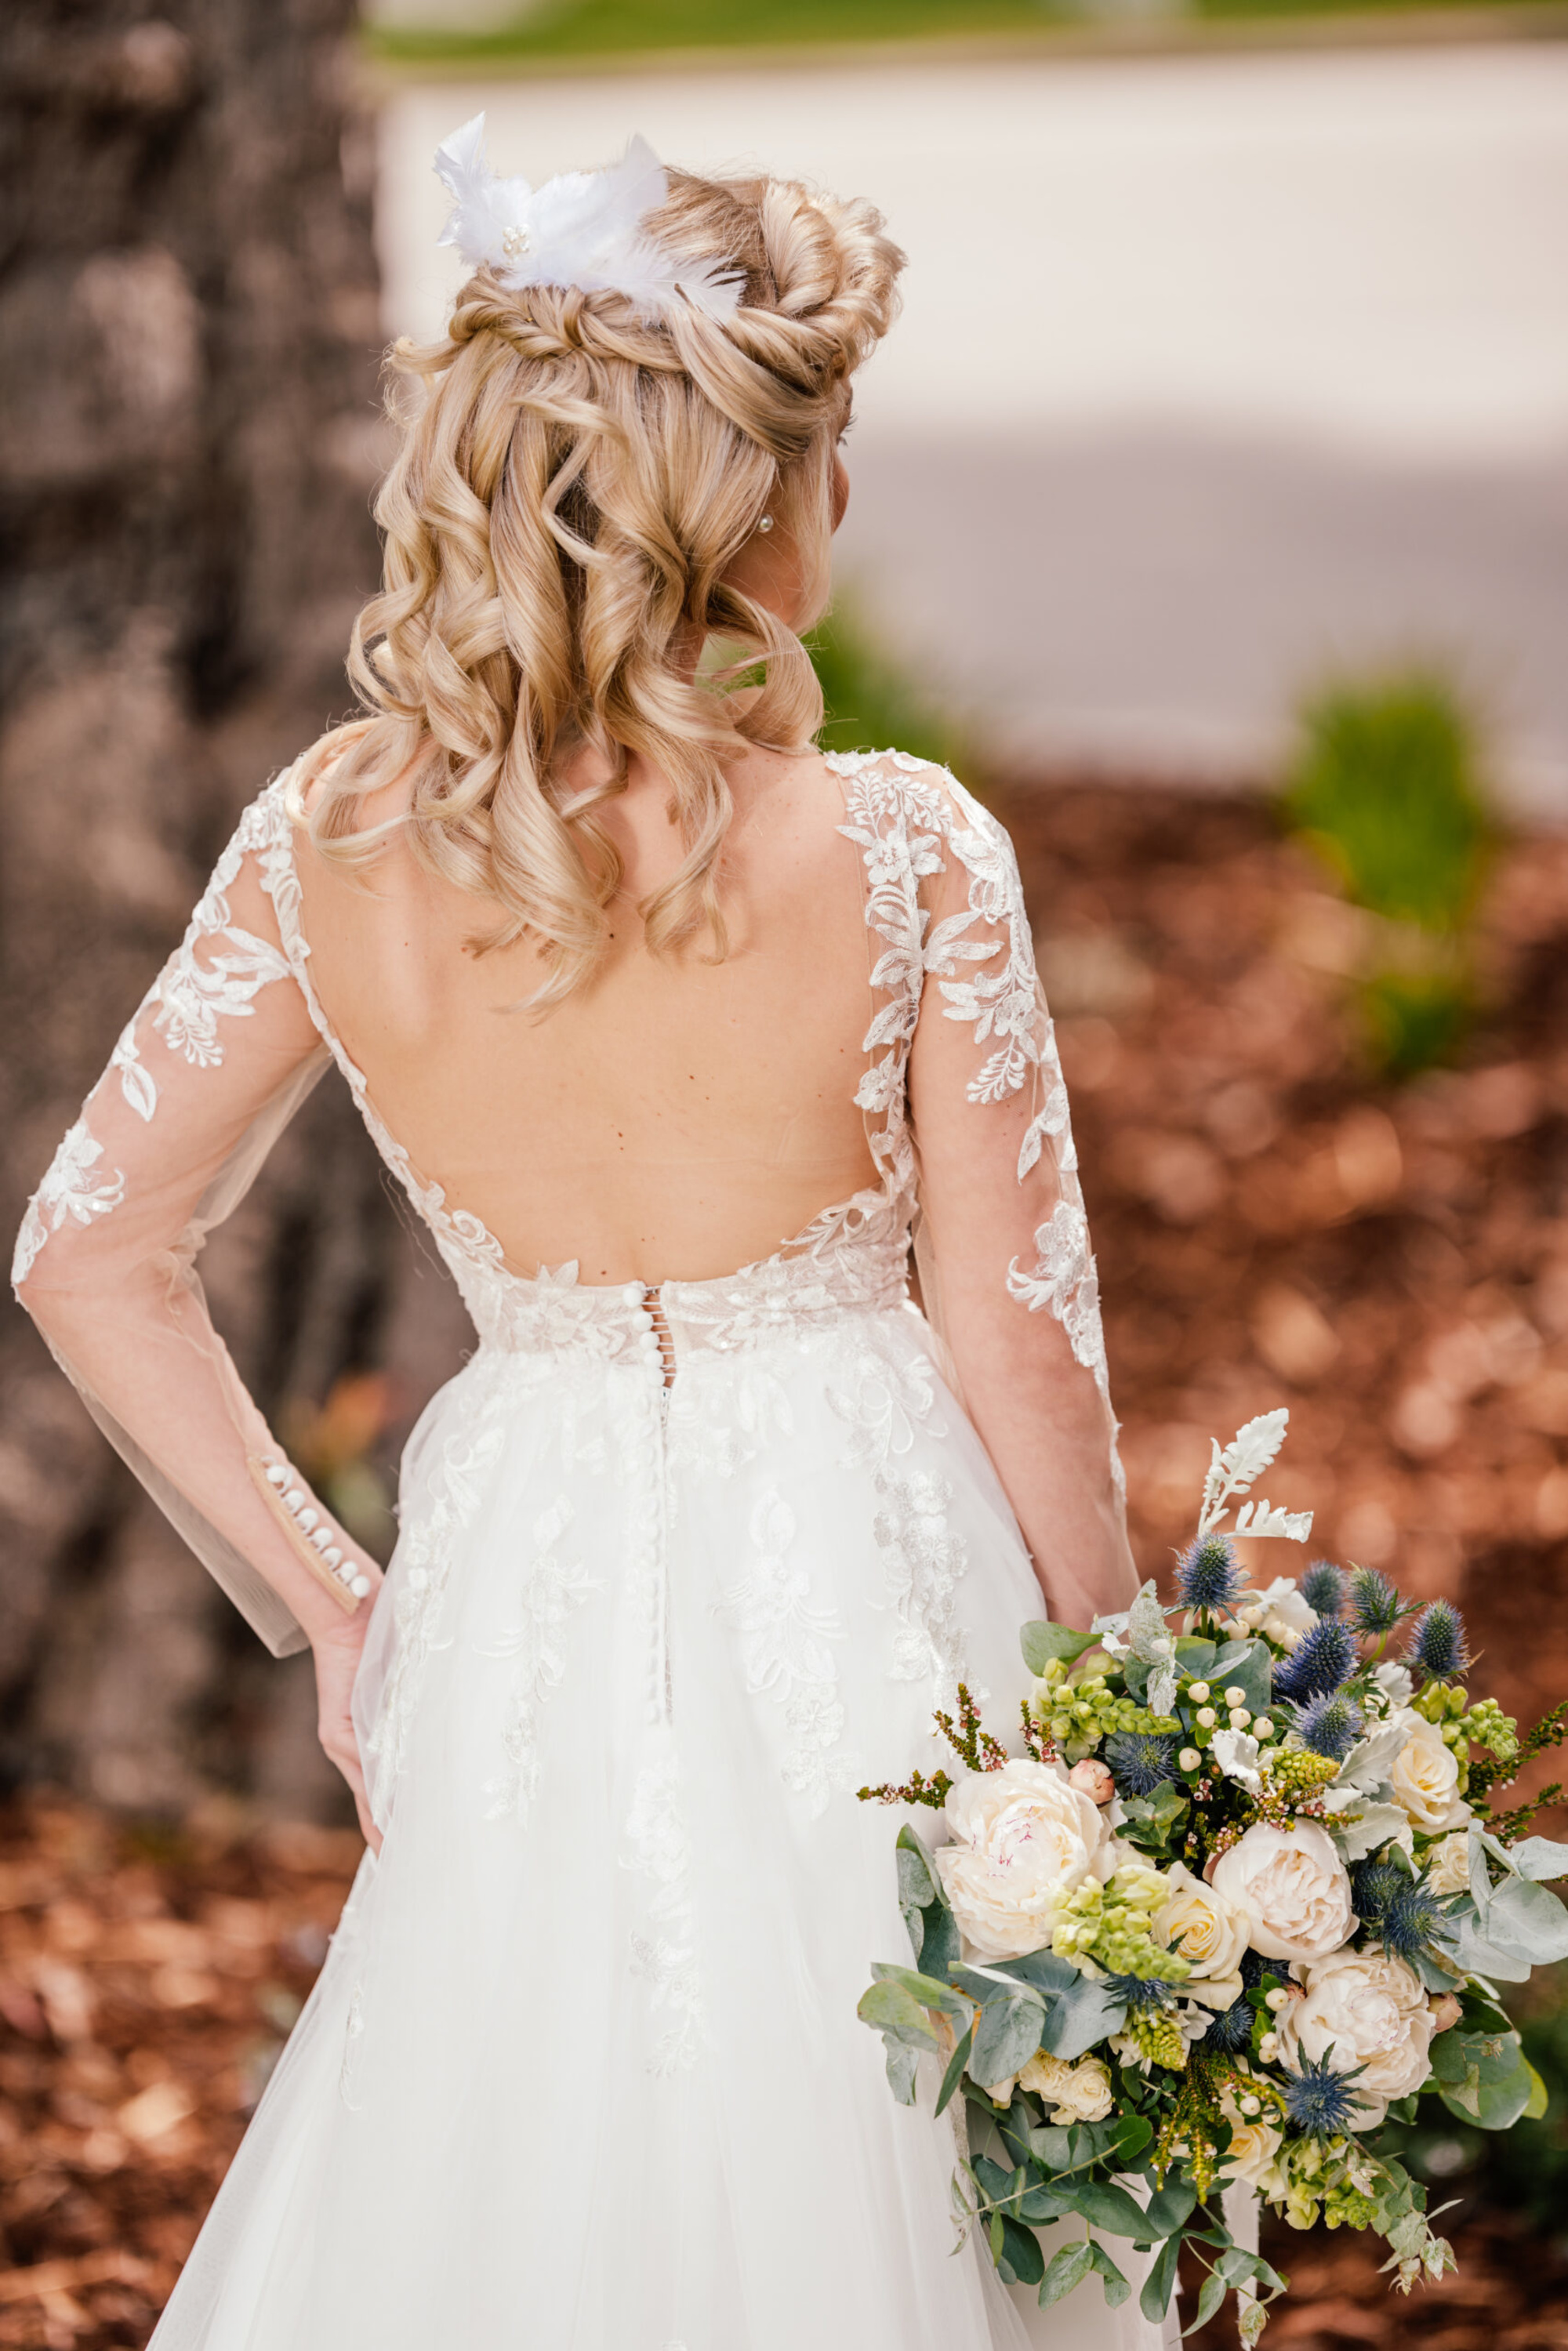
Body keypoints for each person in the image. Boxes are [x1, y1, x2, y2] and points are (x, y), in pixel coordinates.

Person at [13, 122, 1145, 2351]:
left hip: (525, 1556)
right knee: (896, 2116)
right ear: (744, 495)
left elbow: (85, 1251)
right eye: (834, 454)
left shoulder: (329, 841)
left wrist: (332, 1613)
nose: (849, 506)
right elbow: (1021, 1354)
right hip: (870, 1555)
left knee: (522, 2123)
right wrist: (1136, 1704)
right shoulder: (907, 852)